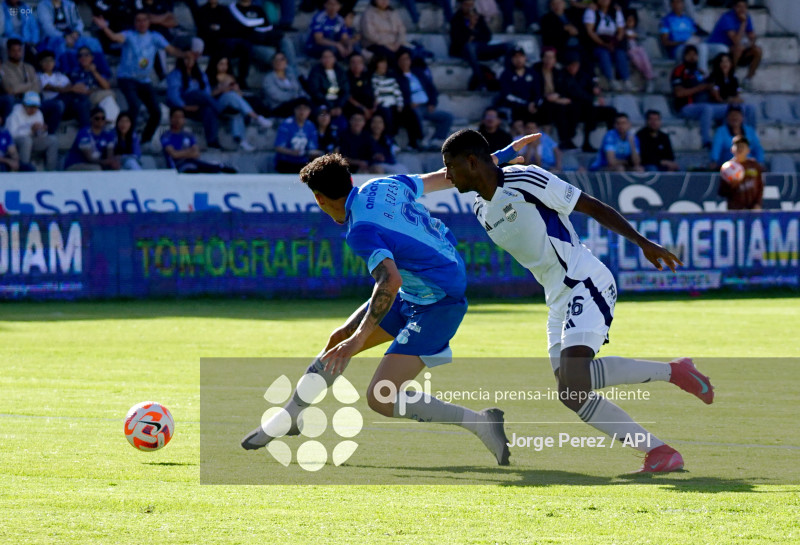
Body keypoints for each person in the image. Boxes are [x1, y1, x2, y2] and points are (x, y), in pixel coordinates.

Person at [440, 128, 714, 473]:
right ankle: (660, 452)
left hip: (585, 280)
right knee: (572, 393)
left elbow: (591, 206)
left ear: (471, 162)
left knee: (576, 378)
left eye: (450, 166)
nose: (447, 175)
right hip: (556, 298)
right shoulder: (481, 207)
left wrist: (643, 242)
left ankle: (674, 372)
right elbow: (490, 164)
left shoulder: (527, 179)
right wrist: (505, 151)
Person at [241, 152, 514, 468]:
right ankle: (291, 416)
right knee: (338, 339)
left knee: (381, 397)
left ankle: (480, 422)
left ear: (319, 199)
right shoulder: (382, 184)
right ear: (351, 180)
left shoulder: (360, 230)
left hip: (439, 303)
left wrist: (360, 338)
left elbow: (390, 279)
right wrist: (499, 158)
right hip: (421, 290)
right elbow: (444, 176)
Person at [93, 12, 186, 146]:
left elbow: (171, 51)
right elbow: (114, 37)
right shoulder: (129, 35)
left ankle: (145, 140)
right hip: (127, 78)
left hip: (144, 80)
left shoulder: (155, 37)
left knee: (156, 111)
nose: (141, 23)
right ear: (135, 23)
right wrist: (104, 28)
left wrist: (186, 55)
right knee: (134, 106)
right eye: (138, 21)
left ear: (149, 22)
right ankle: (128, 138)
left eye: (144, 20)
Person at [206, 56, 272, 151]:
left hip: (232, 106)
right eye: (221, 64)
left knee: (236, 112)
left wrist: (236, 90)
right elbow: (207, 95)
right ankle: (256, 117)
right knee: (230, 95)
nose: (224, 66)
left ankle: (241, 140)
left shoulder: (231, 77)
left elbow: (239, 96)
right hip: (217, 104)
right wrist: (221, 89)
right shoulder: (208, 77)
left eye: (226, 64)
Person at [2, 39, 62, 134]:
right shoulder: (3, 68)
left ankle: (47, 135)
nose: (17, 53)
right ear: (8, 52)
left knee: (57, 105)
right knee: (9, 99)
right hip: (18, 102)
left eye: (19, 50)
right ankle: (8, 137)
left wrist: (20, 87)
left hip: (34, 101)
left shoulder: (29, 67)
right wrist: (30, 84)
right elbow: (10, 90)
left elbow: (37, 87)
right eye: (14, 50)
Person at [396, 50, 452, 150]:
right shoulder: (397, 78)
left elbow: (432, 89)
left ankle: (436, 140)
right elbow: (397, 96)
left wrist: (432, 103)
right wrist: (409, 103)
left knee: (447, 117)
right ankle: (420, 141)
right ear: (398, 62)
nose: (405, 62)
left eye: (407, 59)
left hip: (427, 106)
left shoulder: (419, 73)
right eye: (402, 60)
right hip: (412, 108)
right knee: (414, 116)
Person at [450, 0, 512, 91]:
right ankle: (481, 81)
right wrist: (470, 27)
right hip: (463, 50)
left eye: (471, 5)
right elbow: (458, 41)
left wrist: (474, 34)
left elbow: (487, 36)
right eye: (467, 5)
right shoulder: (456, 19)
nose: (469, 8)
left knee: (509, 46)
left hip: (480, 48)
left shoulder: (478, 17)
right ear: (461, 5)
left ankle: (508, 80)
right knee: (469, 47)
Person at [562, 52, 617, 153]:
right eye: (572, 65)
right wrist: (591, 97)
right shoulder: (563, 76)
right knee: (584, 108)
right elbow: (575, 93)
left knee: (611, 112)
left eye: (576, 65)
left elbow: (591, 87)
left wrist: (595, 91)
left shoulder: (583, 75)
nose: (574, 67)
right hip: (573, 109)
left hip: (587, 107)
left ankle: (611, 141)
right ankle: (578, 141)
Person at [166, 52, 223, 150]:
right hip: (183, 105)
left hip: (199, 106)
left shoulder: (201, 75)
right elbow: (173, 95)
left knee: (209, 111)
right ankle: (222, 110)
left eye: (191, 59)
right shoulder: (175, 75)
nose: (189, 62)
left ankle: (212, 141)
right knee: (196, 93)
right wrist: (184, 106)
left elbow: (207, 92)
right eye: (186, 59)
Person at [160, 107, 237, 174]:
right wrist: (189, 151)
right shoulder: (166, 136)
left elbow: (196, 154)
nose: (178, 120)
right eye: (176, 117)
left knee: (199, 166)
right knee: (191, 167)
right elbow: (174, 155)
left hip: (193, 163)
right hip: (177, 167)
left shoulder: (188, 135)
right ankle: (219, 167)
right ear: (171, 119)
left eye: (181, 117)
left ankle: (220, 167)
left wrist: (182, 153)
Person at [194, 0, 254, 85]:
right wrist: (219, 29)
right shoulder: (201, 10)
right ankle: (227, 76)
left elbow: (230, 27)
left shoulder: (224, 10)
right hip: (209, 42)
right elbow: (203, 29)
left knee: (246, 46)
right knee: (227, 45)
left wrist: (218, 29)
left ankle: (242, 79)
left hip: (225, 40)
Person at [660, 0, 727, 73]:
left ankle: (720, 77)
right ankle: (703, 75)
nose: (677, 5)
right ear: (671, 4)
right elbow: (665, 42)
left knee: (722, 48)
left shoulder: (688, 20)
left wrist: (698, 39)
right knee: (701, 47)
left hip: (693, 47)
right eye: (675, 2)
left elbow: (696, 35)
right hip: (678, 49)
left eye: (679, 2)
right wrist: (683, 42)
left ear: (683, 4)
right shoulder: (666, 21)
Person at [671, 45, 716, 150]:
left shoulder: (700, 72)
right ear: (684, 56)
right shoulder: (679, 71)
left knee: (731, 109)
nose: (692, 57)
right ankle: (706, 142)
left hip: (705, 103)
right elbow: (679, 93)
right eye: (689, 55)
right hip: (686, 107)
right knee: (707, 109)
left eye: (694, 55)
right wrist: (700, 88)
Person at [708, 0, 762, 88]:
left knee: (757, 50)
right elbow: (736, 41)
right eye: (739, 7)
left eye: (744, 7)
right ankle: (731, 75)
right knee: (739, 48)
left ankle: (748, 79)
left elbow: (752, 35)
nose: (742, 10)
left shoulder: (747, 17)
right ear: (734, 7)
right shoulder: (727, 18)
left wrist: (751, 42)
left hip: (733, 49)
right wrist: (743, 23)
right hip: (719, 48)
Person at [533, 47, 578, 150]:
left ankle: (569, 138)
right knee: (559, 109)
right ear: (542, 58)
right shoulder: (535, 71)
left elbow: (563, 89)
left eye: (551, 58)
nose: (549, 60)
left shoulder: (558, 72)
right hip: (541, 101)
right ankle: (563, 139)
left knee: (574, 108)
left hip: (555, 99)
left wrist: (557, 96)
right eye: (547, 57)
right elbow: (535, 90)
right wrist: (549, 98)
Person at [583, 0, 631, 91]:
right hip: (597, 42)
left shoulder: (616, 11)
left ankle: (626, 80)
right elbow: (590, 31)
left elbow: (621, 30)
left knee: (620, 53)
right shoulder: (591, 11)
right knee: (603, 54)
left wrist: (615, 42)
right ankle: (611, 80)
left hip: (613, 41)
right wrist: (603, 43)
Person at [37, 50, 89, 131]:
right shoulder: (39, 76)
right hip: (52, 104)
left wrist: (73, 88)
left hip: (67, 104)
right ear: (40, 63)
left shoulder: (60, 75)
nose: (48, 63)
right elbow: (51, 88)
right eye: (45, 61)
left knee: (81, 100)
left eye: (51, 60)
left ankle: (85, 129)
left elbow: (70, 86)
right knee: (68, 97)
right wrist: (70, 88)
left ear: (54, 62)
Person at [5, 91, 58, 171]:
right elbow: (11, 135)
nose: (33, 109)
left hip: (32, 139)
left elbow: (40, 135)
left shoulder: (38, 113)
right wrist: (30, 130)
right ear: (24, 105)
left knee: (53, 140)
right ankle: (24, 170)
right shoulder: (15, 114)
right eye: (31, 106)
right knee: (27, 141)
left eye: (36, 106)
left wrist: (42, 131)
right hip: (16, 143)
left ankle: (51, 171)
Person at [68, 46, 119, 123]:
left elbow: (106, 86)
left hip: (98, 97)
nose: (83, 57)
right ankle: (110, 124)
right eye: (80, 56)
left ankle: (110, 124)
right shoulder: (75, 72)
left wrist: (94, 72)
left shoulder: (98, 71)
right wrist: (94, 90)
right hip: (83, 99)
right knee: (109, 94)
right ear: (78, 59)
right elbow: (79, 89)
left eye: (86, 55)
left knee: (108, 100)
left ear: (92, 57)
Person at [708, 52, 756, 127]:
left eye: (727, 61)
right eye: (722, 61)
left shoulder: (734, 78)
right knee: (731, 111)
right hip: (719, 106)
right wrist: (728, 101)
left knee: (750, 109)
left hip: (732, 104)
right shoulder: (713, 78)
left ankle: (750, 134)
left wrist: (736, 100)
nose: (725, 64)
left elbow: (737, 94)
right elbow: (717, 98)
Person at [63, 106, 119, 171]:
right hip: (76, 164)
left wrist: (112, 162)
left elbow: (110, 155)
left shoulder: (108, 134)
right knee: (96, 169)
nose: (100, 120)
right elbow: (89, 159)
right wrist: (107, 162)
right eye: (97, 118)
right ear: (91, 119)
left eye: (103, 118)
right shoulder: (84, 134)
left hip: (96, 164)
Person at [274, 98, 321, 174]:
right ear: (294, 110)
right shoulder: (286, 125)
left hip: (304, 163)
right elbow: (278, 147)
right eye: (299, 108)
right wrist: (291, 152)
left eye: (305, 109)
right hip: (286, 162)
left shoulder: (311, 126)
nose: (302, 112)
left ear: (309, 111)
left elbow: (313, 148)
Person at [710, 103, 763, 169]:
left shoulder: (749, 130)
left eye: (737, 115)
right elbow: (716, 147)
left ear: (742, 118)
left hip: (747, 167)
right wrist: (714, 160)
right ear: (727, 118)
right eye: (732, 115)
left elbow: (757, 148)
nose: (734, 117)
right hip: (729, 167)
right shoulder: (721, 131)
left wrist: (760, 162)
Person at [718, 135, 763, 210]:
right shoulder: (727, 168)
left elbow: (760, 186)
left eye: (743, 146)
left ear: (748, 150)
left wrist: (758, 204)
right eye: (737, 146)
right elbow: (721, 192)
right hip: (735, 210)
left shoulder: (754, 165)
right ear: (732, 149)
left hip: (753, 209)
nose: (740, 148)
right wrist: (732, 185)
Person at [496, 47, 537, 123]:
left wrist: (534, 103)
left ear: (525, 57)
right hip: (515, 107)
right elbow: (507, 95)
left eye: (521, 56)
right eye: (515, 57)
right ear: (511, 59)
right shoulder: (506, 74)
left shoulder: (532, 73)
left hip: (531, 106)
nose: (518, 59)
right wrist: (525, 104)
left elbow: (538, 91)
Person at [370, 55, 406, 141]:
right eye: (381, 64)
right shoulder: (373, 79)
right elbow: (376, 94)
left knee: (408, 113)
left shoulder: (391, 79)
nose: (383, 67)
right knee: (387, 113)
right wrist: (385, 103)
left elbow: (397, 93)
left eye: (384, 64)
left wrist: (400, 104)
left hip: (394, 104)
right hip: (383, 105)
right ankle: (390, 138)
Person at [307, 48, 350, 119]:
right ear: (321, 59)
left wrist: (339, 106)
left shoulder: (341, 71)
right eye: (324, 57)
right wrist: (330, 106)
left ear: (334, 59)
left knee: (352, 116)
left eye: (330, 57)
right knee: (323, 116)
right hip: (322, 103)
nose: (327, 59)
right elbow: (315, 91)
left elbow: (345, 90)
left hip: (339, 103)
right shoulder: (315, 72)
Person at [262, 52, 308, 119]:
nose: (279, 62)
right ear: (272, 62)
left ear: (286, 61)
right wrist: (294, 96)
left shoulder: (291, 74)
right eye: (276, 60)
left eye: (282, 59)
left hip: (296, 102)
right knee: (301, 104)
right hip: (279, 107)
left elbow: (299, 88)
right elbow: (277, 96)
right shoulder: (268, 78)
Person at [540, 0, 581, 65]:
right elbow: (549, 36)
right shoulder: (547, 18)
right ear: (551, 6)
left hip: (578, 44)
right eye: (554, 4)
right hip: (561, 47)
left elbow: (580, 28)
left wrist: (575, 30)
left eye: (559, 3)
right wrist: (564, 29)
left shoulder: (571, 14)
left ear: (564, 4)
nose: (557, 6)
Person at [623, 10, 654, 93]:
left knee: (645, 60)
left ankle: (649, 78)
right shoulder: (622, 31)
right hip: (630, 51)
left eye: (632, 21)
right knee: (636, 60)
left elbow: (642, 36)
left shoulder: (637, 30)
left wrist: (635, 35)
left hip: (639, 49)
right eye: (628, 20)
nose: (630, 23)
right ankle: (646, 76)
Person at [343, 52, 375, 120]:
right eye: (353, 62)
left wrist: (374, 107)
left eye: (359, 62)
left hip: (370, 107)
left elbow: (375, 92)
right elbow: (348, 96)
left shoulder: (367, 76)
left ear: (363, 64)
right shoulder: (345, 77)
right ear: (349, 64)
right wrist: (363, 109)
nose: (356, 65)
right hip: (355, 107)